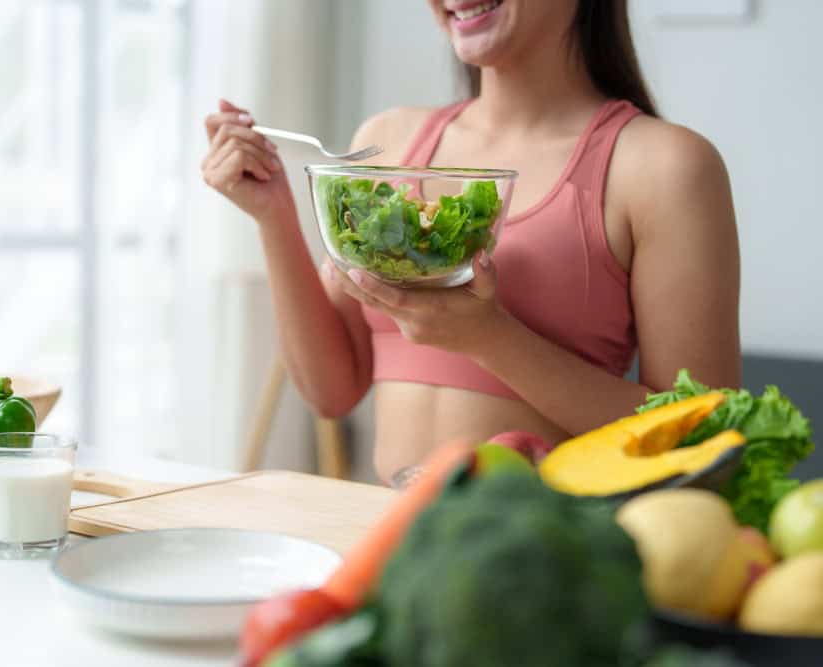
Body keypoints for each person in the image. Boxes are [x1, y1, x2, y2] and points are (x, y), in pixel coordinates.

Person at [201, 0, 740, 486]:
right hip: (386, 534)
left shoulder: (666, 167)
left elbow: (705, 435)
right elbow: (331, 391)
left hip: (552, 552)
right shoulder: (386, 142)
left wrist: (489, 337)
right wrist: (273, 218)